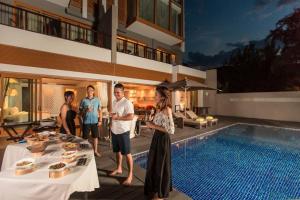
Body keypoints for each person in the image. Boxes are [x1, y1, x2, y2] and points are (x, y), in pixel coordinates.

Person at [144, 86, 175, 200]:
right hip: (156, 138)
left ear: (162, 97)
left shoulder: (167, 109)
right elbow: (157, 125)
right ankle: (156, 190)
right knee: (154, 165)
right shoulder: (159, 109)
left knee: (160, 166)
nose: (154, 96)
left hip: (163, 141)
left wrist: (153, 125)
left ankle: (160, 194)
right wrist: (151, 122)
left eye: (156, 95)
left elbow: (171, 130)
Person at [109, 83, 134, 185]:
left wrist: (117, 118)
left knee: (127, 153)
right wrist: (111, 122)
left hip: (123, 131)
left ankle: (130, 175)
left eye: (118, 92)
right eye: (114, 92)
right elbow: (115, 115)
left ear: (123, 92)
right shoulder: (115, 101)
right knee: (117, 151)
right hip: (114, 130)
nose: (116, 94)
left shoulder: (127, 103)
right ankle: (119, 168)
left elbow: (131, 117)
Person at [79, 85, 102, 157]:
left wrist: (100, 120)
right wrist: (86, 110)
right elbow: (80, 112)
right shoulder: (83, 100)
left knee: (95, 137)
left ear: (93, 91)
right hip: (86, 122)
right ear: (87, 91)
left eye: (91, 90)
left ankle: (95, 151)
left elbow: (100, 111)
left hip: (95, 121)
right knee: (85, 138)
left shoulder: (97, 100)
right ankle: (85, 151)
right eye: (88, 90)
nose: (90, 92)